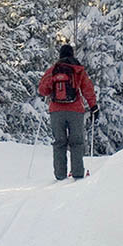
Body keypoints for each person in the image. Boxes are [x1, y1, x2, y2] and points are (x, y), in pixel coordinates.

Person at [38, 43, 98, 180]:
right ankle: (77, 173)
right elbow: (87, 89)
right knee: (76, 142)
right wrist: (93, 106)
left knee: (59, 142)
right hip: (75, 110)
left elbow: (42, 90)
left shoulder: (53, 70)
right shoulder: (78, 70)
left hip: (56, 111)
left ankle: (60, 175)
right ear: (72, 54)